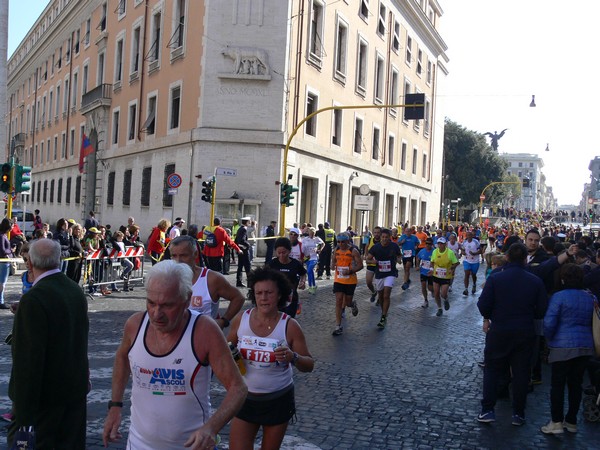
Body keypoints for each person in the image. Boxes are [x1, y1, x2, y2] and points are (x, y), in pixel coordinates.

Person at [102, 260, 248, 449]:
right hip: (139, 444)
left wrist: (211, 428)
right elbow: (122, 358)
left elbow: (238, 388)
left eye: (167, 305)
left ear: (187, 299)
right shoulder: (135, 325)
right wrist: (115, 405)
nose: (156, 314)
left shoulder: (204, 331)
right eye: (151, 303)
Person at [8, 239, 89, 448]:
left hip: (44, 402)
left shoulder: (34, 299)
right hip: (73, 395)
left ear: (30, 263)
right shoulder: (74, 290)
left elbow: (28, 363)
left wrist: (24, 419)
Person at [227, 267, 314, 450]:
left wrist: (293, 357)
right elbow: (226, 349)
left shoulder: (289, 326)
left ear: (279, 295)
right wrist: (231, 355)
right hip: (245, 399)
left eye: (269, 293)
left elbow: (309, 365)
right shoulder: (241, 319)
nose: (263, 298)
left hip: (278, 400)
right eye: (259, 293)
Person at [476, 243, 547, 426]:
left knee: (492, 369)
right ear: (525, 259)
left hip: (499, 329)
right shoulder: (534, 281)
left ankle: (488, 410)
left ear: (506, 257)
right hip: (524, 330)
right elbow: (541, 310)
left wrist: (490, 317)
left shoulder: (496, 278)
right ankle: (518, 413)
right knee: (521, 372)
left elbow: (483, 304)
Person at [540, 264, 596, 434]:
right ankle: (571, 421)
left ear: (563, 279)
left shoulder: (559, 297)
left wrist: (548, 339)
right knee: (576, 384)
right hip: (585, 345)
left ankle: (556, 421)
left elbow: (549, 323)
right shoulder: (591, 297)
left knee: (557, 385)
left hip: (562, 346)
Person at [170, 235, 244, 327]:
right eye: (174, 256)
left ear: (195, 254)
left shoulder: (211, 279)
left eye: (183, 255)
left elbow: (238, 298)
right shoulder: (167, 278)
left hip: (203, 338)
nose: (178, 261)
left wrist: (223, 321)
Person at [366, 228, 402, 329]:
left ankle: (383, 316)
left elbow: (399, 256)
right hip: (379, 274)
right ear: (380, 237)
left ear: (389, 238)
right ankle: (384, 312)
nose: (384, 239)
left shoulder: (394, 246)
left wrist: (399, 260)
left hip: (390, 273)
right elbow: (367, 260)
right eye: (383, 237)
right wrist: (373, 262)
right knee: (381, 296)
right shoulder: (375, 248)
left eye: (386, 237)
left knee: (386, 295)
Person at [331, 234, 363, 336]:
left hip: (350, 280)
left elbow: (361, 265)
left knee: (347, 302)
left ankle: (352, 304)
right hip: (338, 279)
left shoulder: (353, 251)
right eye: (339, 242)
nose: (341, 244)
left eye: (343, 242)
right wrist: (332, 266)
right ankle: (338, 326)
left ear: (347, 241)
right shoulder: (336, 250)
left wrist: (350, 271)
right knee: (339, 300)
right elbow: (333, 261)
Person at [267, 237, 307, 318]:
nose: (281, 255)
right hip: (275, 298)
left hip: (291, 298)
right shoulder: (272, 264)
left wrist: (302, 282)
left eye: (284, 252)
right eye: (279, 253)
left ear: (289, 251)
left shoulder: (295, 264)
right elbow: (264, 276)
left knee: (288, 320)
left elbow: (303, 273)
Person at [429, 237, 459, 317]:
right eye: (438, 243)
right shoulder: (435, 251)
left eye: (441, 243)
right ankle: (439, 308)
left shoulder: (450, 252)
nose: (440, 245)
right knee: (436, 293)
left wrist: (452, 268)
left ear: (445, 244)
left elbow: (456, 262)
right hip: (436, 275)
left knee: (443, 293)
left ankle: (445, 299)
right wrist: (431, 269)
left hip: (446, 276)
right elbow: (432, 262)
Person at [301, 227, 323, 294]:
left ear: (314, 233)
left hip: (314, 257)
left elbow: (323, 243)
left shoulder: (317, 239)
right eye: (311, 233)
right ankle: (314, 286)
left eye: (313, 233)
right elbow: (301, 247)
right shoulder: (305, 239)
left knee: (309, 270)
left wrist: (319, 250)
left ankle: (310, 287)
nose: (312, 234)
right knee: (311, 272)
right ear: (308, 233)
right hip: (307, 257)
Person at [398, 226, 420, 291]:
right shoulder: (402, 237)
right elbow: (398, 243)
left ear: (411, 232)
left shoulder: (414, 237)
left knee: (407, 267)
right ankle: (407, 279)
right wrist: (401, 242)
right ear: (405, 232)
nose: (407, 233)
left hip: (411, 254)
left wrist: (416, 246)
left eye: (409, 231)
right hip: (404, 254)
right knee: (405, 269)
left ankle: (405, 283)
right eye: (406, 231)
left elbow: (418, 242)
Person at [364, 226, 382, 303]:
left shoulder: (383, 240)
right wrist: (366, 255)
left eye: (378, 232)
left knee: (379, 284)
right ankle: (374, 292)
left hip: (380, 265)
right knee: (368, 282)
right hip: (371, 263)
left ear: (380, 233)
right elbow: (366, 247)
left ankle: (379, 298)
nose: (376, 234)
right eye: (375, 232)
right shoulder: (370, 240)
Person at [461, 231, 481, 296]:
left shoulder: (476, 242)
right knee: (466, 274)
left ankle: (474, 284)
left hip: (475, 261)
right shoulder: (464, 242)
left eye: (470, 235)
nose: (469, 236)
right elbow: (462, 250)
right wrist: (463, 253)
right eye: (467, 235)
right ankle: (466, 289)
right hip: (467, 260)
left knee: (473, 274)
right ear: (466, 236)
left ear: (472, 236)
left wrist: (474, 253)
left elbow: (480, 250)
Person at [416, 238, 435, 308]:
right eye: (426, 243)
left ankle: (432, 291)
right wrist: (417, 266)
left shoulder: (435, 252)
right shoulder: (422, 251)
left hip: (431, 272)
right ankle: (426, 300)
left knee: (430, 288)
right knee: (423, 285)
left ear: (432, 244)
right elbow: (418, 258)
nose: (427, 245)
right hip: (423, 272)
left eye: (429, 244)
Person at [0, 218, 14, 309]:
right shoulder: (2, 236)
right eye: (12, 226)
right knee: (2, 283)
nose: (13, 227)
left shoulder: (3, 235)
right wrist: (10, 251)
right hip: (4, 262)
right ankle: (1, 301)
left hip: (5, 261)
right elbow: (2, 250)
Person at [235, 218, 252, 287]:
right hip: (244, 250)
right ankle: (250, 283)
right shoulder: (244, 229)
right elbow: (241, 240)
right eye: (249, 221)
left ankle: (239, 281)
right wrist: (248, 245)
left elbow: (236, 240)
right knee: (248, 266)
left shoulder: (239, 228)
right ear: (247, 222)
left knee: (240, 266)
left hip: (240, 250)